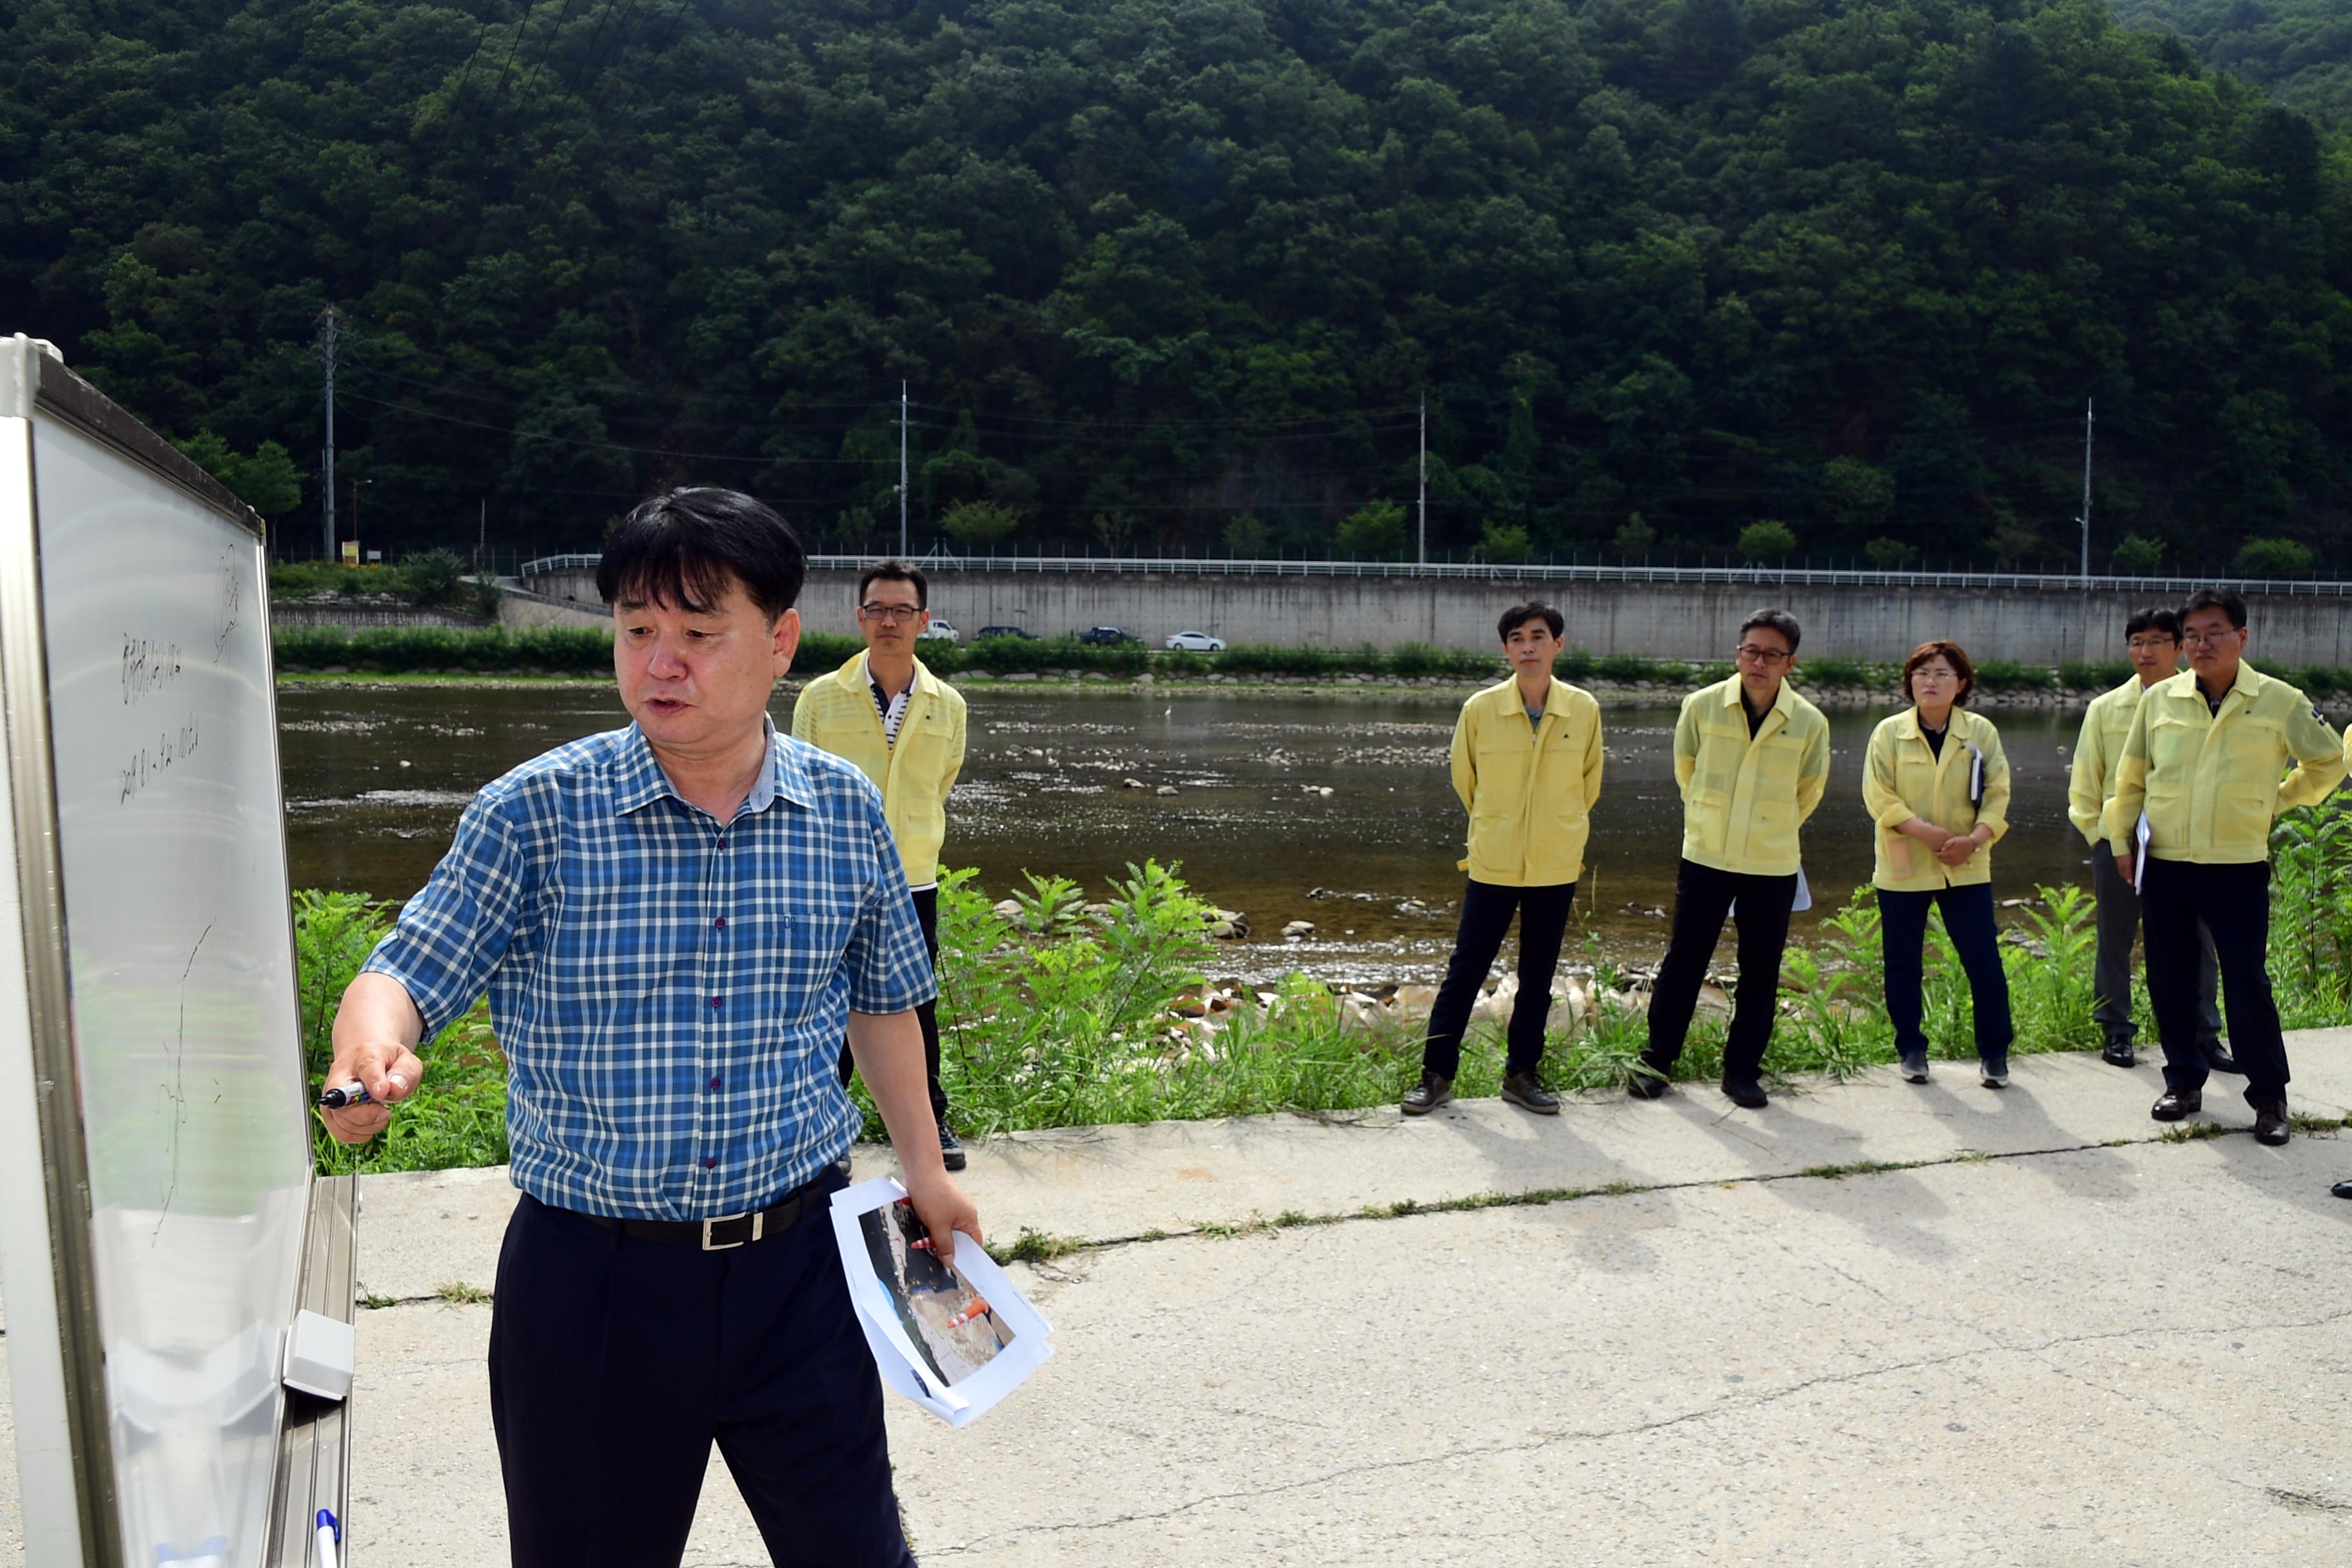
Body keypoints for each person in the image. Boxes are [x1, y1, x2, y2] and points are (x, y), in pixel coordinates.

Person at [319, 488, 975, 1567]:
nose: (660, 661)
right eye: (636, 630)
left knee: (856, 1551)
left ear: (778, 643)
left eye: (697, 633)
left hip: (798, 1269)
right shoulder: (533, 813)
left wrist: (925, 1172)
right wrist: (368, 1049)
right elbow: (403, 972)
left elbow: (882, 999)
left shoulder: (846, 810)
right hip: (595, 1287)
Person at [2104, 586, 2346, 1146]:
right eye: (2191, 635)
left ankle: (2269, 1098)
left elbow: (2329, 761)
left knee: (2246, 983)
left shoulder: (2280, 699)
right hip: (2166, 862)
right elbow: (2131, 777)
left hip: (2237, 866)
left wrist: (2276, 800)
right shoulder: (2160, 699)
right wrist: (2121, 839)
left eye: (2215, 632)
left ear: (2243, 636)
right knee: (2172, 978)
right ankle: (2184, 1082)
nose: (2201, 643)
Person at [792, 560, 970, 1170]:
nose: (888, 621)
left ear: (923, 621)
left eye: (901, 611)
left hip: (914, 879)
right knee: (826, 1003)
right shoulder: (821, 698)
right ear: (859, 617)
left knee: (917, 1005)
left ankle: (930, 1123)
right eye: (877, 609)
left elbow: (940, 784)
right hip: (835, 878)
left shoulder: (947, 705)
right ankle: (824, 1129)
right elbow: (798, 785)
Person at [1402, 601, 1603, 1116]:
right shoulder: (1481, 709)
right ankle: (1436, 1075)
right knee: (1465, 971)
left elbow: (1590, 784)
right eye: (1517, 638)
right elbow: (1465, 780)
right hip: (1493, 863)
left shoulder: (1583, 709)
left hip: (1555, 864)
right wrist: (1498, 825)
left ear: (1558, 645)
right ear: (1506, 649)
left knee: (1538, 977)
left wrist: (1555, 829)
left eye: (1538, 636)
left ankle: (1521, 1074)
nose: (1528, 646)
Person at [1630, 607, 1829, 1109]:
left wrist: (1768, 826)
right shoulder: (1702, 706)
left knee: (1761, 971)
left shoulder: (1808, 722)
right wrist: (1709, 820)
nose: (1759, 662)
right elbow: (1686, 770)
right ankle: (1656, 1062)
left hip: (1772, 862)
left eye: (1772, 655)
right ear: (1738, 654)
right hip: (1707, 856)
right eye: (1751, 651)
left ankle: (1742, 1072)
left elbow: (1808, 791)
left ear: (1790, 663)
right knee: (1684, 963)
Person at [2066, 609, 2233, 1073]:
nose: (2145, 652)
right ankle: (2116, 1029)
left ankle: (2204, 1035)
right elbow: (2085, 786)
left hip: (2184, 844)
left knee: (2199, 942)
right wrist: (2106, 841)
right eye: (2136, 642)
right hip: (2117, 844)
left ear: (2179, 648)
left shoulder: (2202, 701)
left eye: (2158, 641)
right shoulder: (2105, 709)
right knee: (2115, 939)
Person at [1862, 641, 2014, 1087]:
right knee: (1903, 962)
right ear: (1910, 682)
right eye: (1922, 673)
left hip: (1966, 863)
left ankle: (1995, 1052)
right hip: (1904, 862)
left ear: (1961, 683)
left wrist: (1976, 839)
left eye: (1942, 673)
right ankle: (1911, 1047)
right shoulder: (1889, 733)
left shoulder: (1980, 732)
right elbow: (1879, 796)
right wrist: (1925, 831)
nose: (1930, 681)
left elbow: (1998, 793)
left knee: (1983, 959)